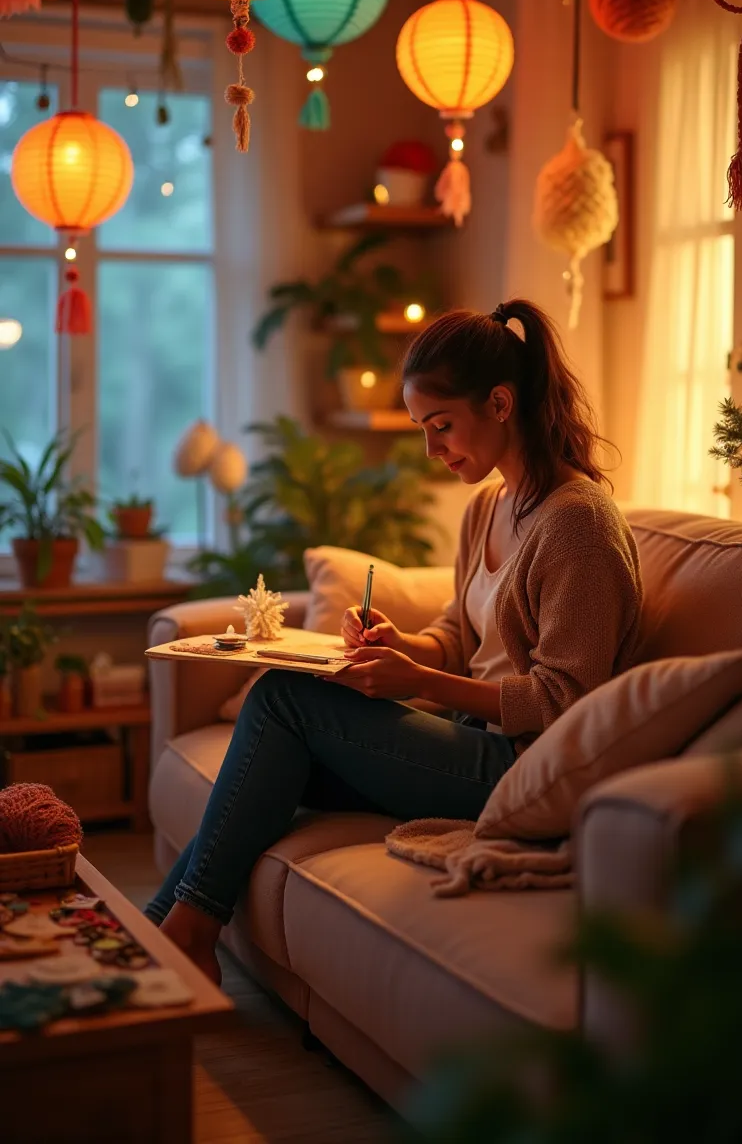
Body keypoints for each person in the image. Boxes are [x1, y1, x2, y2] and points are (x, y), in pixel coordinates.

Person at [146, 299, 643, 984]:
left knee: (287, 701)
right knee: (271, 745)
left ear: (500, 402)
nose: (432, 449)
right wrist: (402, 644)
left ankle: (179, 935)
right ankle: (164, 934)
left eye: (441, 426)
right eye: (421, 429)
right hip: (467, 740)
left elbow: (565, 701)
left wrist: (418, 683)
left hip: (522, 772)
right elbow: (457, 636)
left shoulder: (578, 526)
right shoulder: (488, 508)